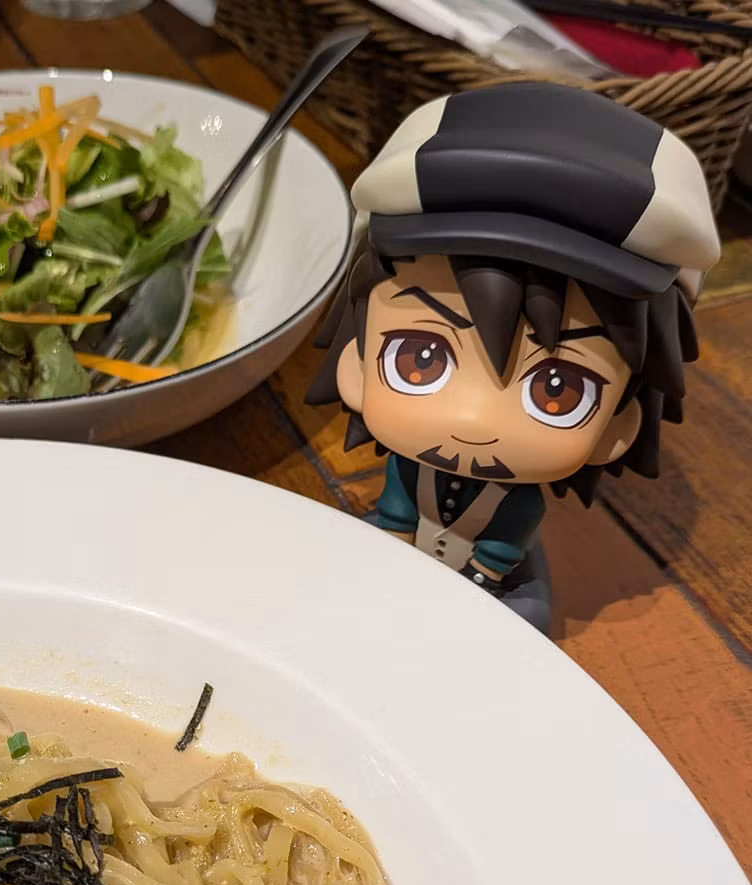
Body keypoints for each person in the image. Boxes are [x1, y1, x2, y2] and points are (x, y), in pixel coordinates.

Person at [306, 82, 720, 636]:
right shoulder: (406, 473)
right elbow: (395, 512)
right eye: (420, 359)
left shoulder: (521, 504)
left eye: (557, 389)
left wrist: (480, 579)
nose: (474, 420)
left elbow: (507, 541)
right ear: (356, 366)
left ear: (618, 426)